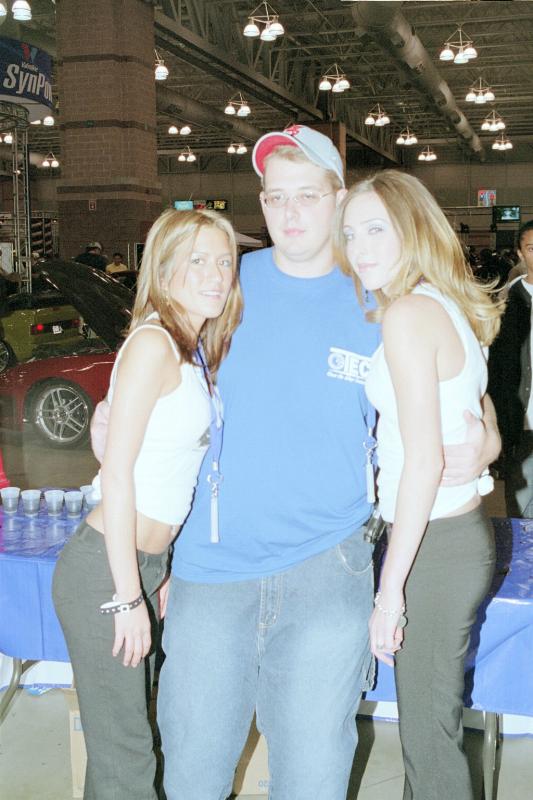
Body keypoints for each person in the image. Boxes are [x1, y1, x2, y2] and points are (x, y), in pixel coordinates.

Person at [90, 127, 499, 800]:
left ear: (338, 198)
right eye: (275, 197)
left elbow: (460, 380)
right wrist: (108, 420)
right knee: (194, 770)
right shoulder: (225, 286)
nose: (289, 212)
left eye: (307, 195)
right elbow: (151, 361)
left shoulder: (376, 292)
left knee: (312, 776)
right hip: (211, 570)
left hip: (328, 568)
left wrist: (486, 437)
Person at [53, 208, 242, 800]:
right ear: (163, 269)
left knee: (124, 744)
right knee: (127, 750)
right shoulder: (154, 344)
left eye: (224, 262)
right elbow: (117, 474)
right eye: (197, 260)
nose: (215, 274)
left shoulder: (193, 350)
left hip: (144, 564)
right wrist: (127, 593)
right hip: (107, 571)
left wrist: (158, 572)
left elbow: (172, 471)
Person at [335, 170, 503, 800]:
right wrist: (490, 438)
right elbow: (476, 401)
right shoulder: (440, 302)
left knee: (429, 740)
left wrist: (389, 594)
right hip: (453, 535)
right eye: (351, 233)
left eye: (376, 229)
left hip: (432, 542)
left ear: (413, 229)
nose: (360, 248)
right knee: (431, 728)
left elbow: (423, 462)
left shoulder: (407, 313)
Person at [489, 219, 533, 517]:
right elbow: (496, 371)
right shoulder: (505, 302)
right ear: (519, 253)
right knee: (521, 511)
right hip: (522, 424)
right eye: (531, 248)